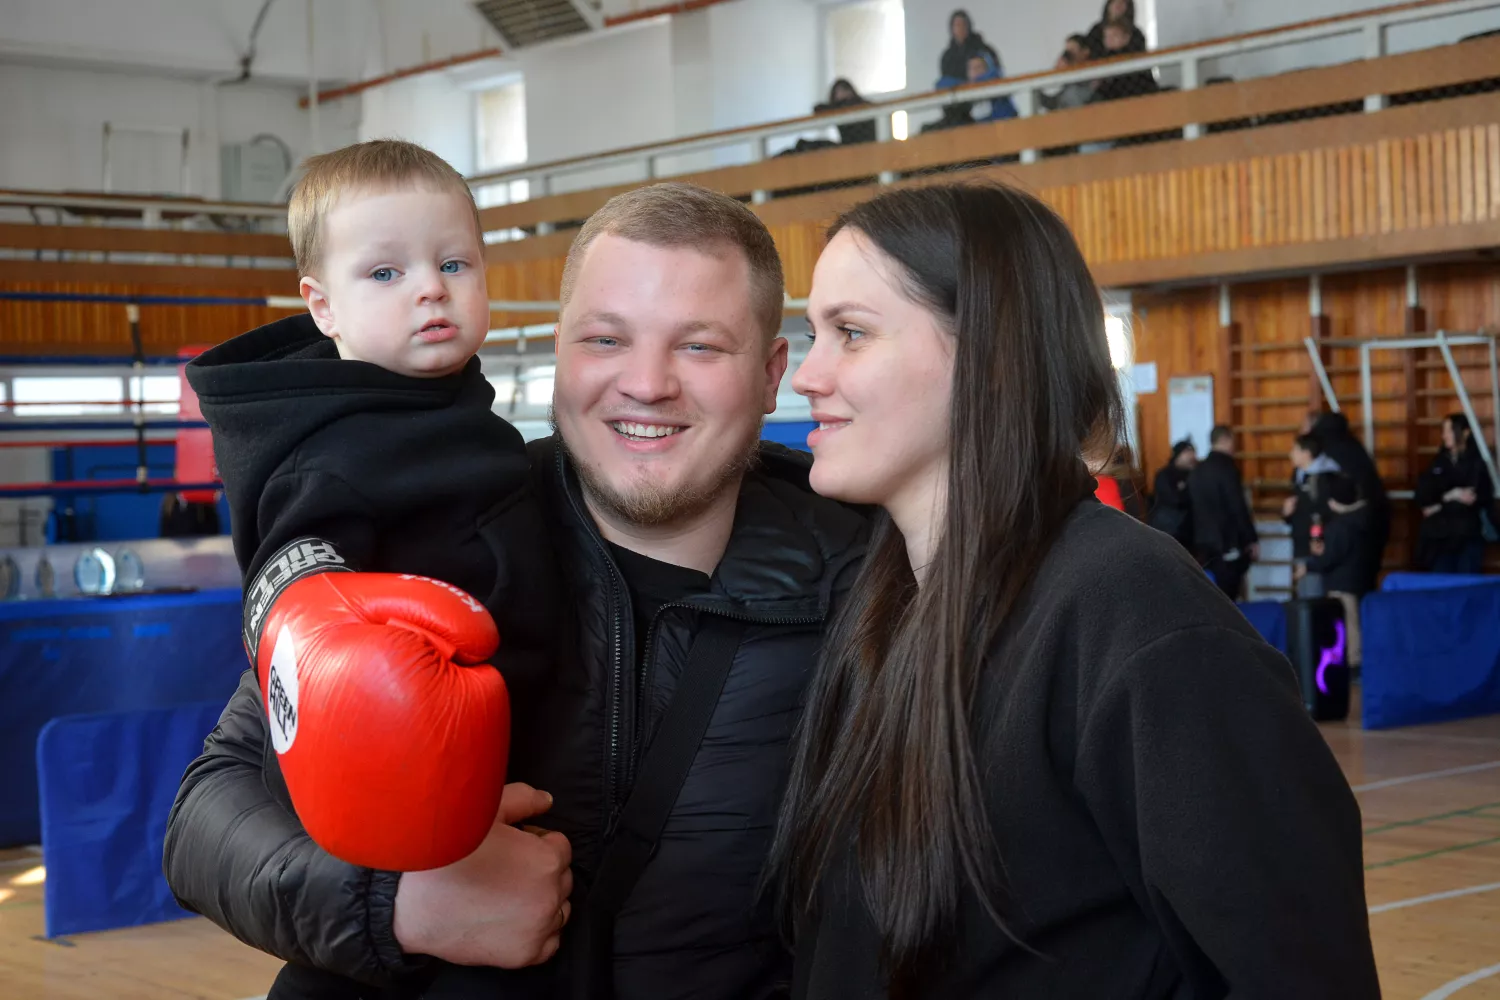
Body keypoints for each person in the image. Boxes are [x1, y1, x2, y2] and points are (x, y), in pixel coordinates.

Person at [163, 181, 867, 1000]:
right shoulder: (422, 517)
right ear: (560, 348)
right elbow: (204, 819)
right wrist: (397, 907)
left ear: (773, 371)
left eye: (700, 347)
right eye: (606, 340)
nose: (646, 383)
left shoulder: (867, 584)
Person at [773, 183, 1378, 998]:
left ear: (989, 354)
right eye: (813, 334)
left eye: (850, 333)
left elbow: (1295, 969)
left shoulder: (1136, 614)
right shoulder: (884, 606)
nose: (807, 375)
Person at [172, 138, 567, 999]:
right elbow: (290, 616)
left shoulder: (450, 413)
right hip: (399, 810)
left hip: (498, 795)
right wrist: (391, 836)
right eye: (385, 274)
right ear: (323, 308)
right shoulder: (331, 454)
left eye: (454, 261)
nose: (432, 287)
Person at [1304, 409, 1388, 591]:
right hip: (1372, 523)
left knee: (1342, 596)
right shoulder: (1355, 448)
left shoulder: (1327, 453)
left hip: (1343, 528)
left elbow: (1325, 501)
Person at [1416, 412, 1496, 574]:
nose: (1444, 436)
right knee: (1440, 584)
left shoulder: (1478, 462)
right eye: (1443, 431)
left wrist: (1439, 504)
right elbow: (1423, 496)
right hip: (1440, 537)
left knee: (1467, 585)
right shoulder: (1438, 462)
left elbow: (1476, 496)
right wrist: (1452, 495)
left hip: (1468, 535)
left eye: (1449, 430)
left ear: (1465, 432)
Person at [1189, 425, 1259, 601]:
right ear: (1226, 440)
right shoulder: (1227, 469)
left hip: (1203, 543)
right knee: (1229, 597)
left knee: (1210, 598)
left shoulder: (1197, 471)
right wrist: (1251, 539)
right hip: (1228, 542)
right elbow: (1237, 507)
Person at [930, 10, 1000, 131]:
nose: (960, 28)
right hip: (959, 110)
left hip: (988, 105)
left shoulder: (983, 49)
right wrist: (963, 85)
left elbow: (995, 74)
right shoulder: (947, 57)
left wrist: (975, 83)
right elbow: (944, 85)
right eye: (957, 25)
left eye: (963, 24)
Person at [1148, 438, 1195, 550]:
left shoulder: (1194, 474)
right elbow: (1174, 499)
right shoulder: (1165, 475)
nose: (1192, 456)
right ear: (1178, 455)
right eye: (1187, 453)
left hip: (1189, 531)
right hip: (1170, 529)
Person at [1038, 34, 1096, 112]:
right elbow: (1052, 102)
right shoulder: (1067, 74)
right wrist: (1056, 73)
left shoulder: (1094, 69)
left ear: (1085, 51)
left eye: (1072, 50)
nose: (1068, 55)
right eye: (1067, 51)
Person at [814, 78, 876, 145]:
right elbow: (818, 109)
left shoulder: (861, 105)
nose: (842, 94)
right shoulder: (837, 109)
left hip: (865, 144)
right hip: (849, 146)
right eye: (838, 92)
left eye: (843, 90)